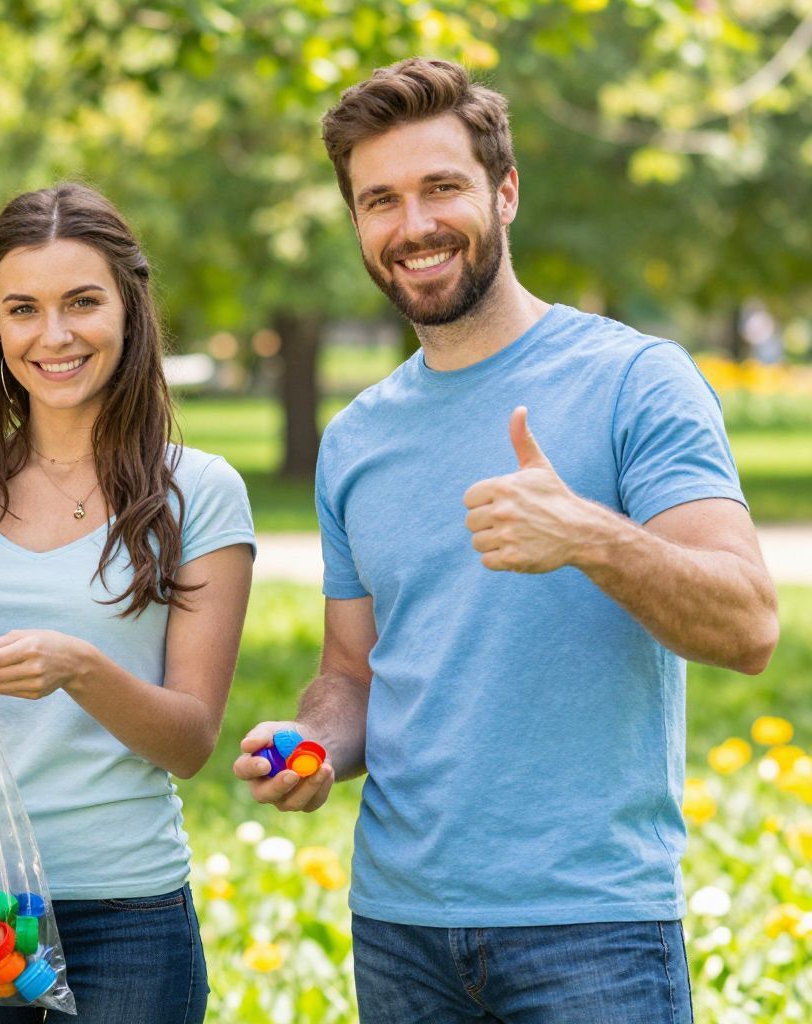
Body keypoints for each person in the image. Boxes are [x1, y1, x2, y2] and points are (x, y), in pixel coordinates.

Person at [232, 58, 779, 1024]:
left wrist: (590, 536)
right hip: (399, 929)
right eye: (380, 200)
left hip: (591, 930)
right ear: (357, 222)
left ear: (506, 192)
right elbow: (352, 674)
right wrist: (313, 740)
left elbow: (748, 626)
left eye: (442, 187)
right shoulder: (355, 438)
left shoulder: (637, 380)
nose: (414, 226)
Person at [0, 183, 254, 1023]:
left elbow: (189, 742)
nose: (54, 335)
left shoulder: (203, 493)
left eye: (82, 302)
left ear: (129, 309)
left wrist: (81, 668)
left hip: (126, 913)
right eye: (23, 308)